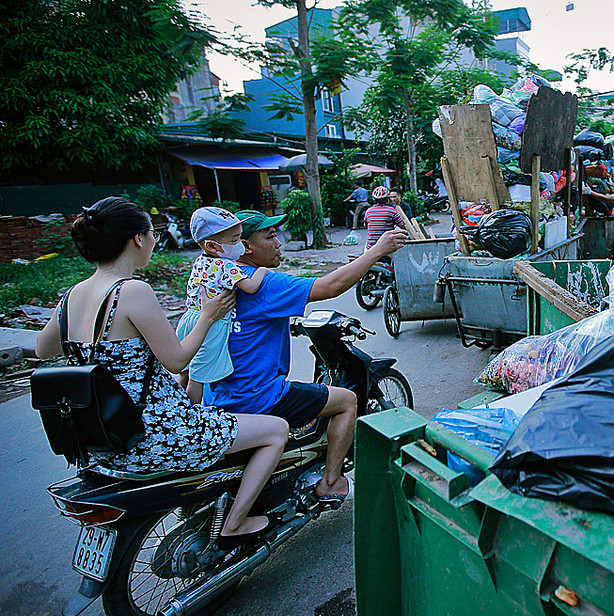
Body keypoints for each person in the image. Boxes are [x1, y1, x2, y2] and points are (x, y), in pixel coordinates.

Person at [35, 197, 289, 548]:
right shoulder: (133, 291)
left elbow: (42, 349)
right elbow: (177, 361)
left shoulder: (73, 295)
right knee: (277, 430)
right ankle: (234, 522)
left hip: (106, 440)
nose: (155, 240)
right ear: (138, 239)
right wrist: (208, 316)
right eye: (152, 233)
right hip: (158, 432)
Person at [204, 210, 407, 504]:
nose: (279, 242)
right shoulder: (264, 283)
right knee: (346, 401)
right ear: (245, 246)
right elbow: (330, 286)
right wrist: (377, 250)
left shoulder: (214, 281)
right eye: (270, 236)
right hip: (257, 397)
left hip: (218, 397)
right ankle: (331, 481)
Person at [176, 207, 269, 404]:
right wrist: (261, 270)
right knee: (198, 378)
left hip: (189, 319)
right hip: (211, 326)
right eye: (234, 241)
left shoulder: (201, 261)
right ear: (211, 245)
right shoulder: (226, 266)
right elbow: (251, 287)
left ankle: (175, 405)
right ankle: (190, 416)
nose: (239, 245)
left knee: (185, 371)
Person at [365, 186, 406, 251]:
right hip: (386, 248)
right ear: (387, 200)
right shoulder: (391, 210)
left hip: (370, 248)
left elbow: (366, 226)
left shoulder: (368, 211)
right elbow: (402, 225)